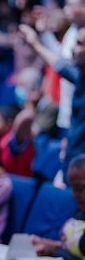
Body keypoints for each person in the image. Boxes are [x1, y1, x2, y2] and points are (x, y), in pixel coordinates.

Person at [19, 22, 85, 185]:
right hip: (72, 161)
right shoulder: (80, 76)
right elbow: (62, 66)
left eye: (80, 44)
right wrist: (35, 44)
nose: (72, 49)